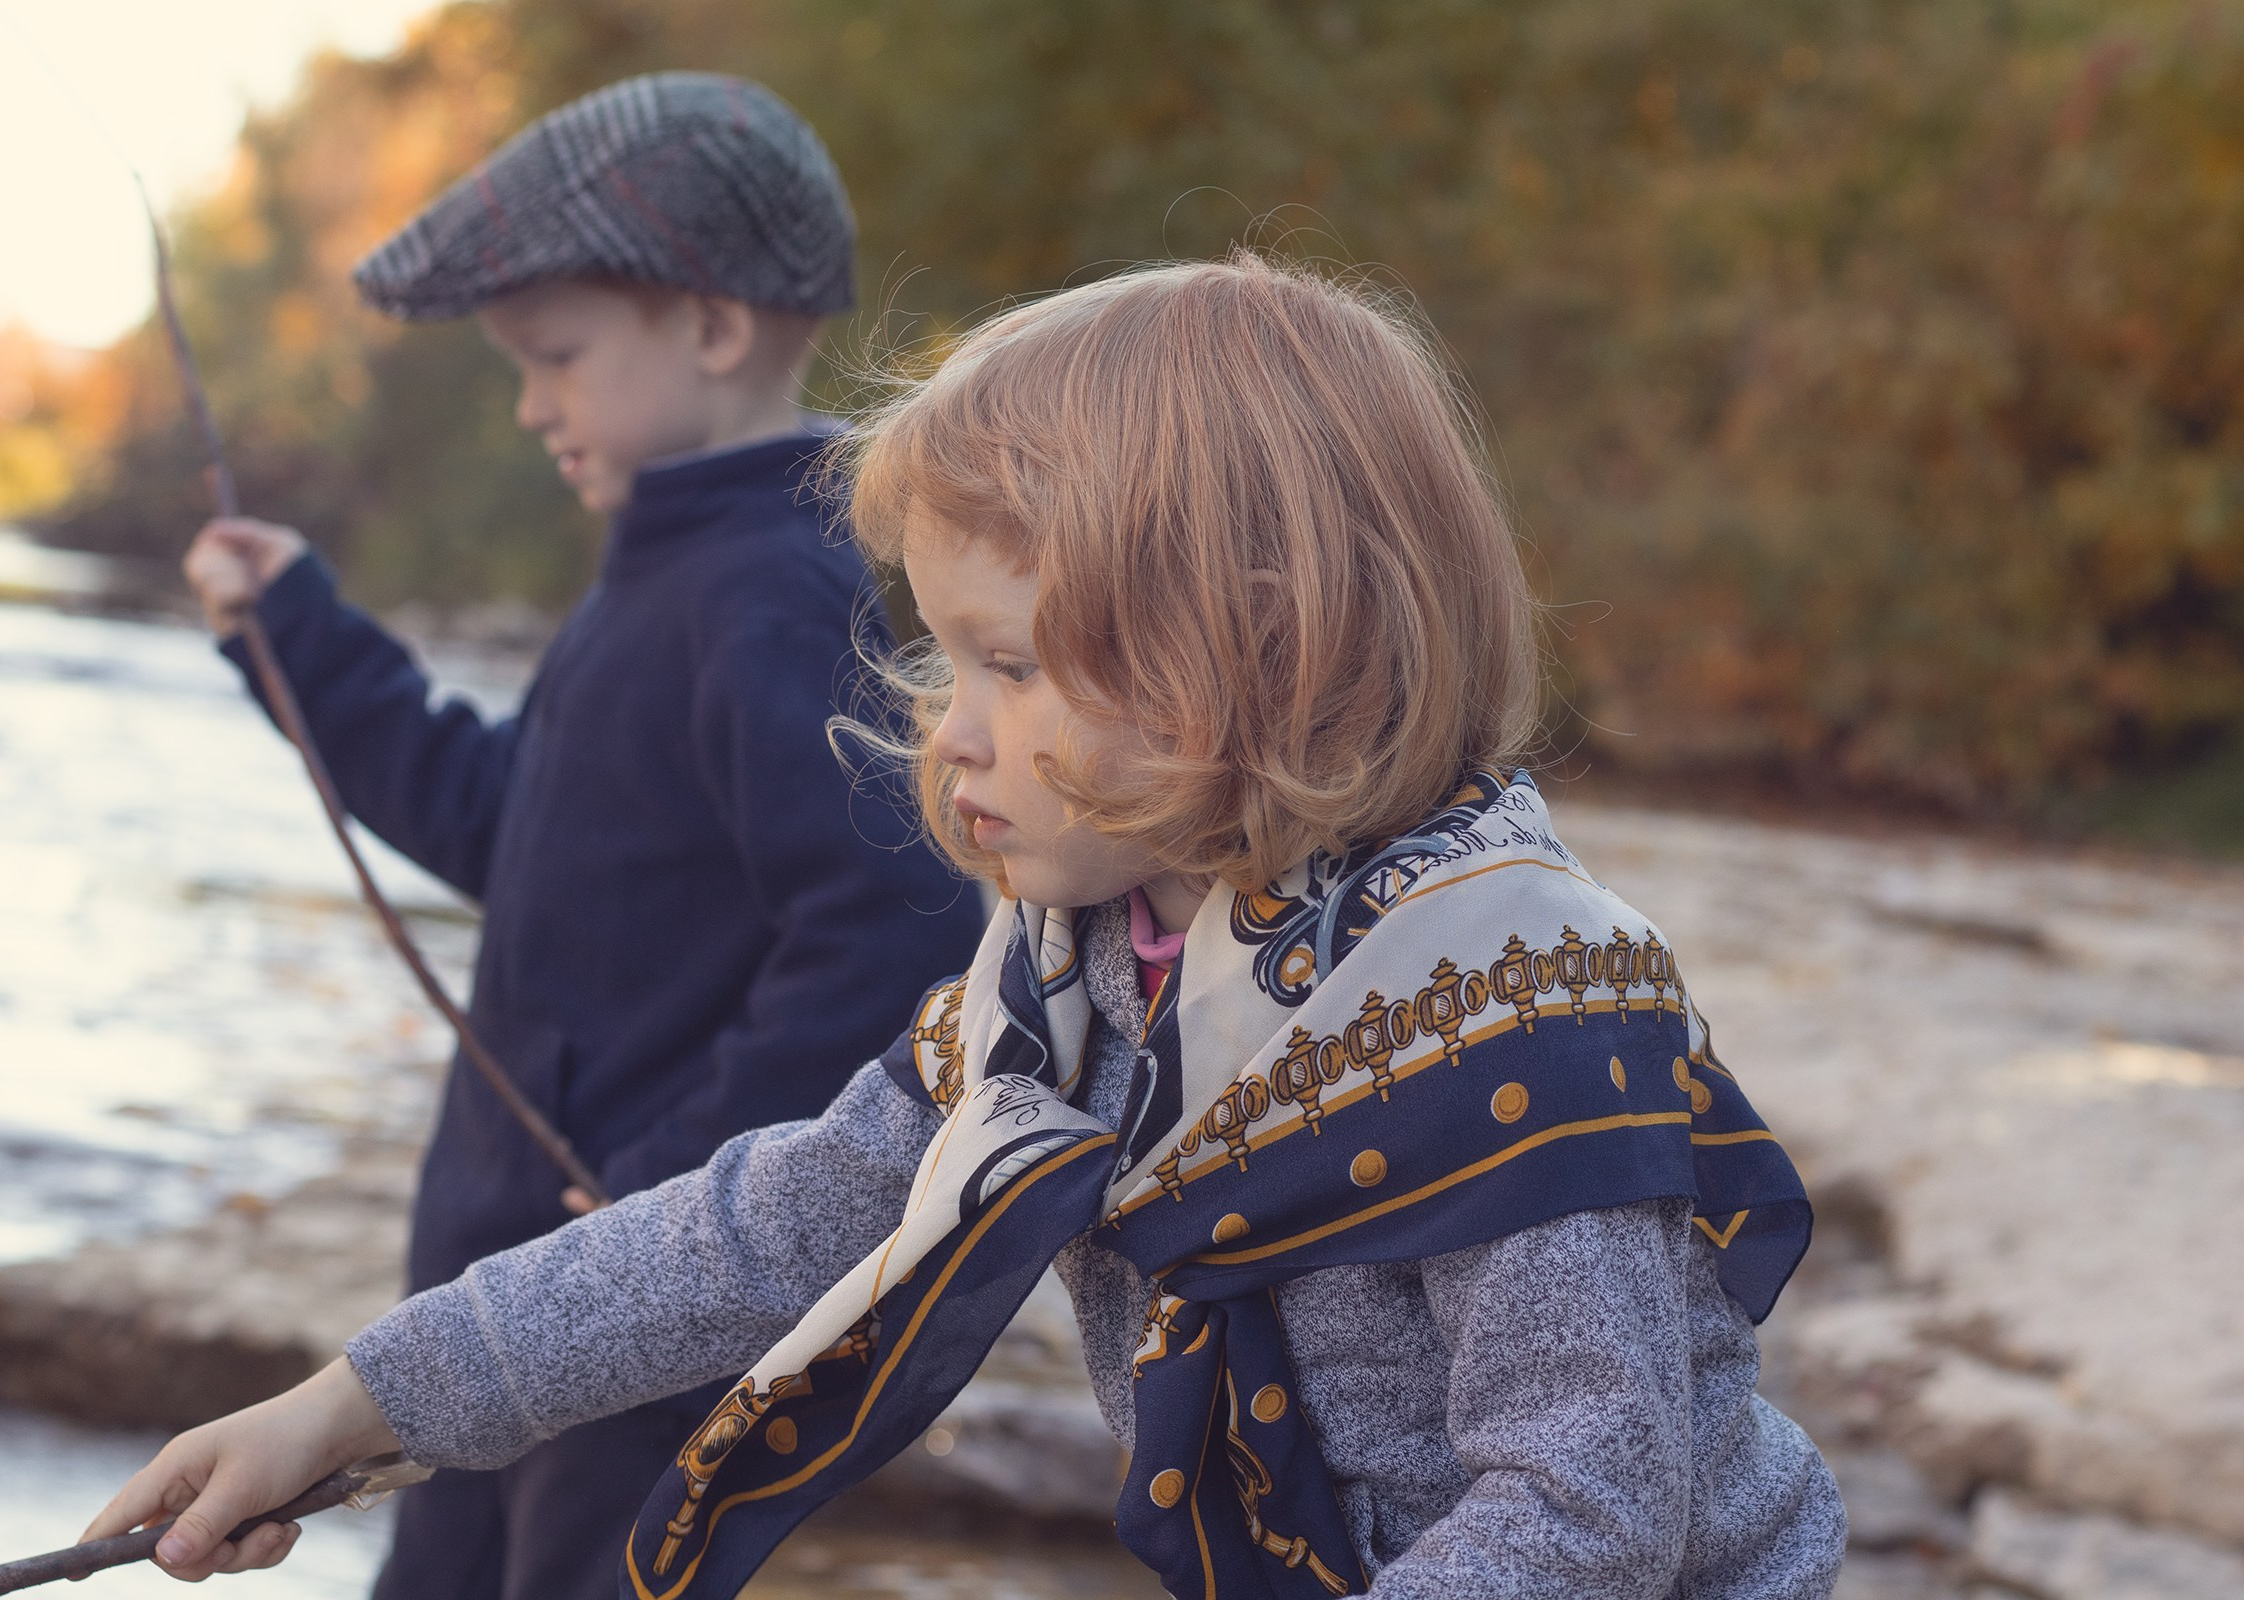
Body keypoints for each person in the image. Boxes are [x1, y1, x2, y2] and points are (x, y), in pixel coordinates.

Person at [98, 254, 1846, 1599]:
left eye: (1012, 664)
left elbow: (1590, 1507)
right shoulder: (1082, 971)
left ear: (1262, 661)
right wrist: (353, 1410)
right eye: (949, 655)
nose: (951, 725)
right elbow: (756, 1230)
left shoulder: (1506, 1002)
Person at [174, 73, 985, 1600]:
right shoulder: (665, 571)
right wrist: (301, 637)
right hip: (519, 1313)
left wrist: (674, 1181)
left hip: (637, 1324)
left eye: (555, 357)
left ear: (712, 326)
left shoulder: (761, 593)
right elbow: (514, 834)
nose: (533, 402)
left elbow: (897, 927)